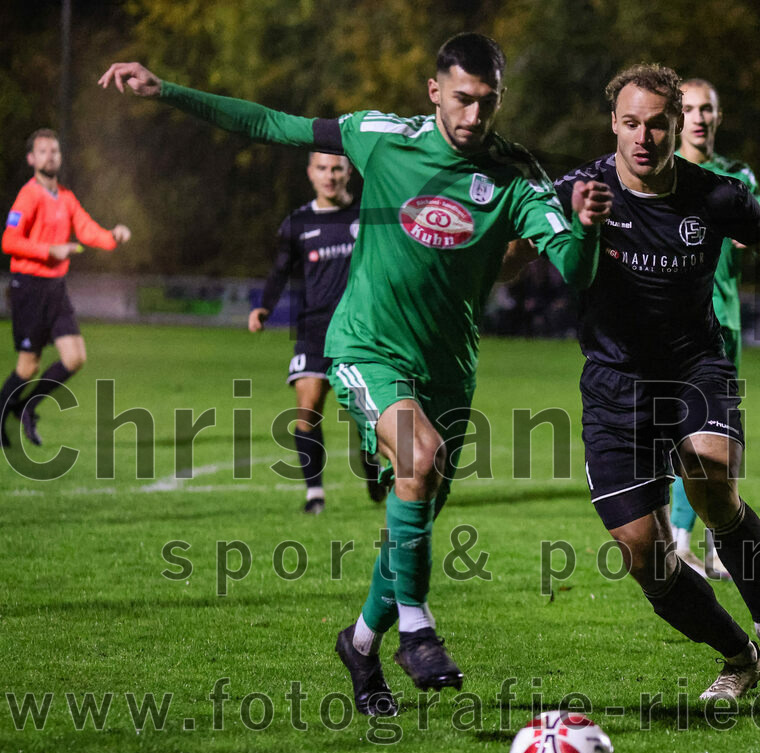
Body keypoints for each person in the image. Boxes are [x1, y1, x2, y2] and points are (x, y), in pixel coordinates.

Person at [99, 34, 612, 715]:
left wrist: (587, 226)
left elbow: (576, 270)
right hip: (367, 346)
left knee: (415, 509)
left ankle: (362, 643)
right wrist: (168, 90)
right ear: (434, 91)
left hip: (450, 369)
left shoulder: (513, 172)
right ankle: (418, 629)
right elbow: (270, 124)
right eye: (461, 99)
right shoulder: (380, 136)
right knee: (418, 460)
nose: (473, 116)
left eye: (487, 104)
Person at [505, 64, 760, 701]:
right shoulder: (578, 189)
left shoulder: (717, 195)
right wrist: (522, 238)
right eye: (630, 124)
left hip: (694, 368)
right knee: (644, 555)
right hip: (614, 384)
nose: (643, 137)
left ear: (678, 125)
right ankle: (739, 655)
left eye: (657, 124)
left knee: (712, 486)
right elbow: (506, 258)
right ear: (613, 126)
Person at [250, 151, 386, 512]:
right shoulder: (298, 223)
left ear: (348, 173)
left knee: (365, 415)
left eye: (337, 168)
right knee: (307, 410)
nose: (330, 175)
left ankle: (373, 471)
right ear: (310, 174)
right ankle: (315, 494)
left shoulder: (366, 217)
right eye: (322, 169)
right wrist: (263, 306)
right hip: (314, 329)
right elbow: (280, 269)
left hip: (361, 332)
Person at [668, 78, 760, 579]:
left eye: (708, 108)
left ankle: (712, 543)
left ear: (719, 116)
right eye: (691, 109)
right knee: (687, 433)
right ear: (678, 117)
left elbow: (755, 236)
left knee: (725, 436)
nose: (700, 117)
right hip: (682, 324)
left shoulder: (737, 175)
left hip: (727, 322)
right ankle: (679, 541)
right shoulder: (667, 174)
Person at [1, 128, 131, 448]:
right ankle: (3, 414)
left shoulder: (66, 198)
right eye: (43, 151)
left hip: (56, 289)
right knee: (27, 367)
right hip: (29, 287)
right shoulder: (28, 196)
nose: (50, 156)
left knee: (74, 358)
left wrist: (112, 236)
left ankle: (27, 406)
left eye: (55, 151)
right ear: (32, 159)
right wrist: (49, 251)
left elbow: (87, 230)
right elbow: (9, 240)